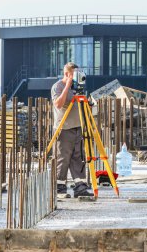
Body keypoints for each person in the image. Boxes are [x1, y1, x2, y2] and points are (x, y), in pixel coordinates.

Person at [51, 62, 94, 199]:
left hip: (78, 126)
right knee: (63, 159)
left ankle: (80, 187)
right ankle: (59, 188)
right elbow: (58, 104)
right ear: (67, 74)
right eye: (75, 74)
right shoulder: (58, 86)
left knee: (78, 158)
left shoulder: (78, 88)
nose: (78, 77)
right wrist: (68, 85)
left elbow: (82, 106)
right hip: (63, 128)